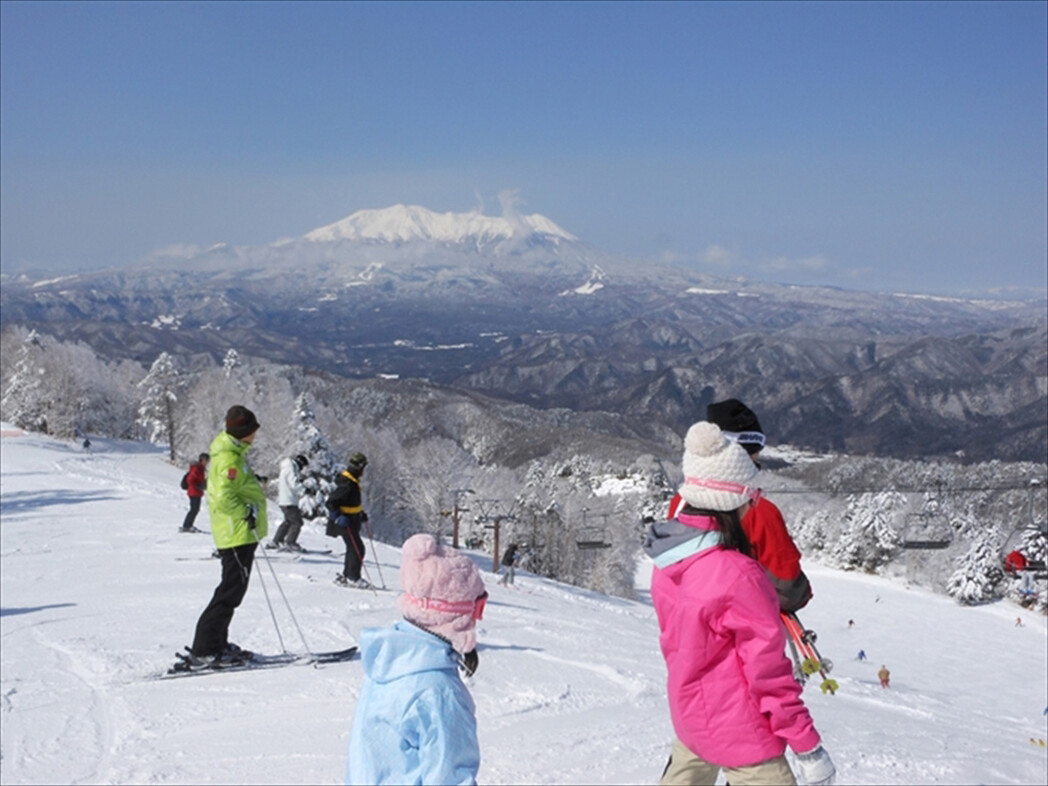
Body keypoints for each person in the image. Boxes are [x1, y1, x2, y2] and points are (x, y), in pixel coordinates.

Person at [645, 421, 836, 786]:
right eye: (753, 496)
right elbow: (769, 676)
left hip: (691, 720)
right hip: (744, 735)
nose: (755, 503)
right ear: (734, 499)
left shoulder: (667, 563)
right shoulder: (741, 576)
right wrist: (808, 748)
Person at [347, 532, 486, 785]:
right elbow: (451, 778)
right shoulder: (439, 691)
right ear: (458, 614)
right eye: (478, 607)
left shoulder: (387, 663)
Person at [668, 399, 812, 612]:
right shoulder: (757, 510)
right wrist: (801, 593)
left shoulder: (680, 502)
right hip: (745, 624)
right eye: (753, 449)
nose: (757, 456)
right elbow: (788, 587)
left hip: (685, 626)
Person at [187, 406, 267, 664]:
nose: (256, 435)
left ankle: (217, 643)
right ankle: (204, 648)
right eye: (253, 430)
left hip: (241, 533)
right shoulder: (229, 459)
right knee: (230, 592)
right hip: (236, 534)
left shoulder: (233, 454)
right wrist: (247, 511)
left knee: (233, 590)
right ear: (243, 433)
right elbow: (222, 496)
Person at [327, 452, 370, 588]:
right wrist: (338, 516)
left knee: (353, 548)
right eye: (363, 468)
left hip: (353, 519)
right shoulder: (347, 484)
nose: (364, 471)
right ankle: (353, 577)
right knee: (358, 548)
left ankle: (347, 576)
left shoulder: (352, 481)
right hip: (346, 521)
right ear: (359, 468)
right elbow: (331, 502)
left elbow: (350, 501)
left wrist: (359, 513)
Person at [269, 454, 308, 551]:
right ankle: (290, 543)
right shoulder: (291, 468)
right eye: (302, 466)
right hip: (289, 501)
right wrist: (304, 490)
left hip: (285, 500)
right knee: (297, 522)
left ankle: (277, 541)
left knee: (288, 521)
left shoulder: (287, 467)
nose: (302, 469)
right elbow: (293, 483)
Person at [181, 453, 210, 533]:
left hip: (196, 492)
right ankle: (187, 526)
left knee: (195, 509)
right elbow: (190, 479)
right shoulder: (197, 468)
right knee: (194, 509)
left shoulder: (200, 468)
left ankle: (188, 525)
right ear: (202, 460)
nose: (207, 462)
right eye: (206, 460)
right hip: (194, 492)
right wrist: (198, 486)